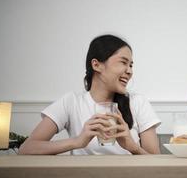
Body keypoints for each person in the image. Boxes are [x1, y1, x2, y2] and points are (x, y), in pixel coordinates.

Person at [18, 34, 161, 155]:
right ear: (96, 65)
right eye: (123, 62)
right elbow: (26, 148)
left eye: (131, 65)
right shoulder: (71, 102)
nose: (129, 71)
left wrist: (132, 146)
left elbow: (157, 164)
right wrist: (77, 141)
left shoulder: (137, 102)